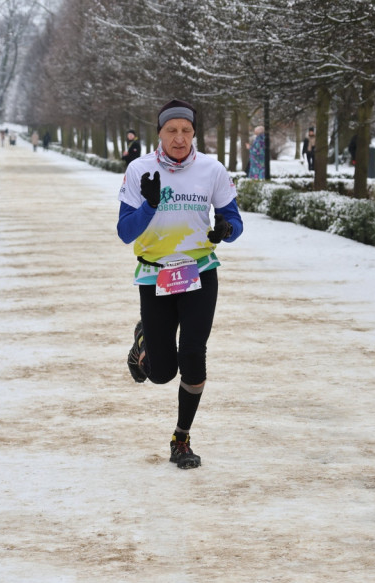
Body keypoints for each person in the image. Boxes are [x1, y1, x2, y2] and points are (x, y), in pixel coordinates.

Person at [117, 99, 244, 469]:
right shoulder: (139, 170)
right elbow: (125, 232)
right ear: (159, 133)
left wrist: (226, 229)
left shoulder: (212, 169)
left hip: (199, 271)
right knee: (161, 374)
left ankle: (181, 438)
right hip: (155, 272)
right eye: (171, 130)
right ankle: (143, 342)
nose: (179, 138)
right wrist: (149, 207)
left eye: (186, 130)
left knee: (193, 355)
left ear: (194, 133)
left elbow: (233, 222)